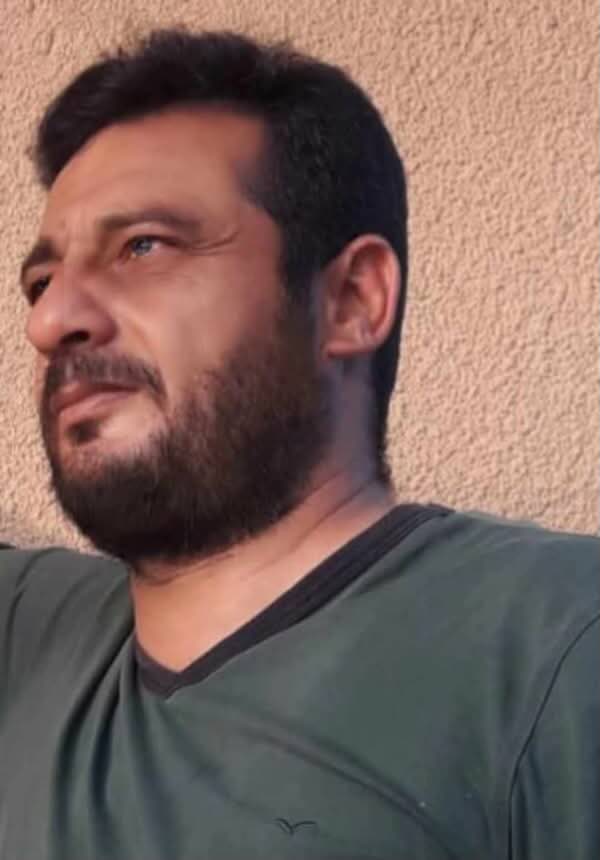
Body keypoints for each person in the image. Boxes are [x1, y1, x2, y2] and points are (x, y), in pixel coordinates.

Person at [0, 27, 598, 860]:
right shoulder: (26, 628)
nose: (49, 320)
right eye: (41, 281)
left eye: (143, 246)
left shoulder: (558, 644)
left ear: (350, 301)